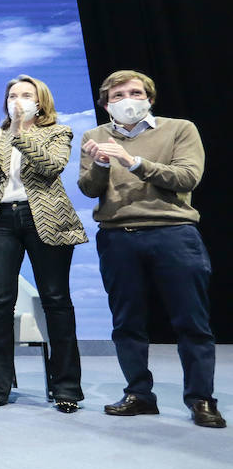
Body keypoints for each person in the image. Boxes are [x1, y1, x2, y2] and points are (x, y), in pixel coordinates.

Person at [78, 70, 223, 428]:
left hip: (173, 233)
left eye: (135, 92)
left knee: (191, 321)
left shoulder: (179, 129)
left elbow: (187, 177)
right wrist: (99, 164)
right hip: (118, 236)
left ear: (149, 98)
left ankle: (201, 398)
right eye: (117, 96)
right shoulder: (95, 136)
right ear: (106, 103)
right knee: (127, 322)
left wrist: (133, 162)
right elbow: (88, 189)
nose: (127, 100)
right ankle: (139, 394)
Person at [0, 75, 87, 412]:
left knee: (56, 300)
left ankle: (66, 388)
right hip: (2, 221)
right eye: (12, 95)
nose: (17, 101)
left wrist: (21, 135)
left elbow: (51, 167)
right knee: (0, 302)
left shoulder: (57, 132)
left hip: (46, 220)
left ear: (40, 101)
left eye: (25, 95)